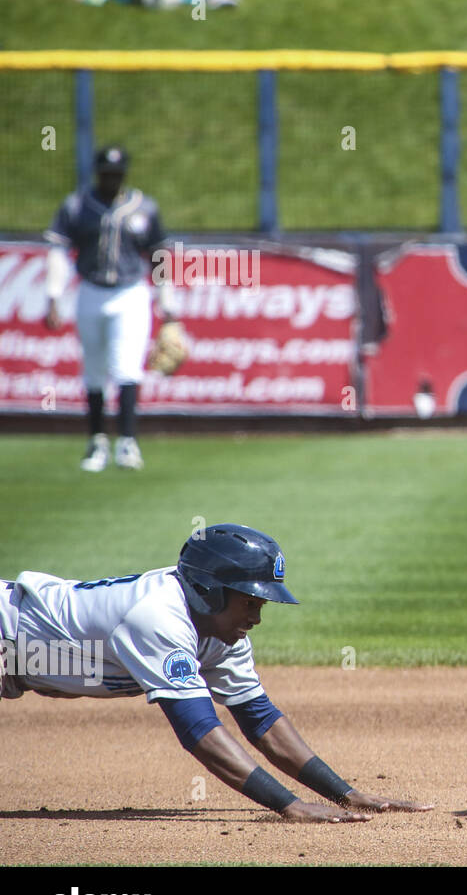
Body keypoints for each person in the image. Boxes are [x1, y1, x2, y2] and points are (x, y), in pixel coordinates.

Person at [0, 524, 433, 824]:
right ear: (209, 591)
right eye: (250, 602)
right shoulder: (157, 618)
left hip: (22, 661)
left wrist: (345, 794)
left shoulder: (220, 631)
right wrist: (288, 805)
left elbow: (260, 719)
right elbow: (199, 730)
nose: (257, 618)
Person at [44, 145, 171, 472]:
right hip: (90, 290)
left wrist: (167, 303)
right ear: (97, 172)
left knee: (128, 367)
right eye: (106, 173)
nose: (112, 179)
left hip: (130, 292)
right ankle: (97, 441)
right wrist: (53, 295)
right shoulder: (77, 206)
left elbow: (158, 256)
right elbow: (58, 251)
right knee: (95, 369)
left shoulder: (143, 207)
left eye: (117, 173)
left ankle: (128, 442)